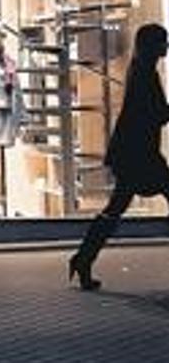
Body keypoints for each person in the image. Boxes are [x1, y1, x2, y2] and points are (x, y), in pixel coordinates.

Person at [69, 24, 169, 291]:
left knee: (114, 211)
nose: (166, 47)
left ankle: (83, 258)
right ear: (152, 46)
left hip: (134, 153)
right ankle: (83, 259)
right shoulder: (145, 74)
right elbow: (157, 113)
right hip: (140, 155)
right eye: (163, 42)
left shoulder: (140, 70)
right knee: (114, 210)